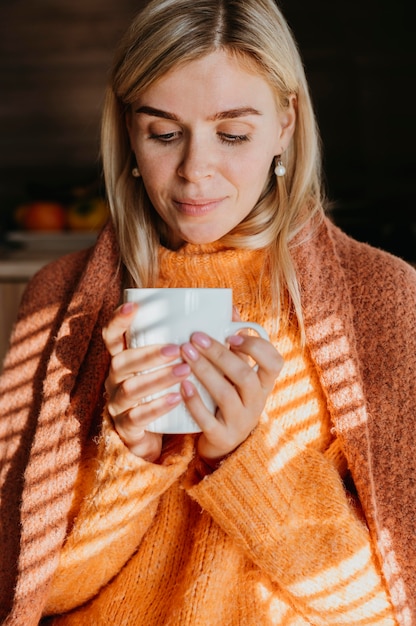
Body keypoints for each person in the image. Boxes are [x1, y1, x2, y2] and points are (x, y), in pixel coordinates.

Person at [0, 0, 415, 624]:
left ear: (285, 123)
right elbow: (33, 595)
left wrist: (244, 457)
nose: (196, 172)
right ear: (128, 133)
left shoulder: (380, 298)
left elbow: (387, 605)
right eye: (164, 133)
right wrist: (131, 453)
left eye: (233, 134)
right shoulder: (60, 301)